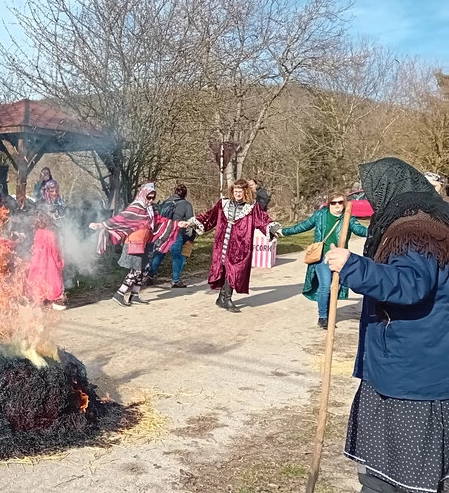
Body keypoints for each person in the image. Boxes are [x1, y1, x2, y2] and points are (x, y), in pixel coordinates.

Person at [322, 157, 449, 493]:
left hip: (411, 372)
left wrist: (352, 267)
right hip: (417, 364)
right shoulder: (431, 220)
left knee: (397, 477)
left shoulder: (415, 230)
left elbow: (410, 284)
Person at [180, 179, 279, 313]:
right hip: (222, 243)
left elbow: (262, 220)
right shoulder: (223, 203)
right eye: (236, 191)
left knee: (235, 270)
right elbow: (209, 216)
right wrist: (191, 222)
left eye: (241, 191)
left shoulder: (252, 206)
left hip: (240, 246)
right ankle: (223, 298)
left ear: (246, 192)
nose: (238, 194)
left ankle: (226, 298)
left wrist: (272, 228)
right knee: (224, 270)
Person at [279, 191, 367, 329]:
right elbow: (303, 226)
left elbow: (359, 229)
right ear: (329, 203)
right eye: (334, 202)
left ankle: (330, 313)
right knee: (325, 286)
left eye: (340, 202)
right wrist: (284, 232)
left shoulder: (348, 218)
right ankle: (323, 317)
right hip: (322, 258)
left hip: (339, 258)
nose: (337, 205)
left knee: (335, 287)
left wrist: (374, 233)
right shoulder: (320, 215)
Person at [90, 182, 178, 307]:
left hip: (146, 243)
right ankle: (119, 294)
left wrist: (176, 224)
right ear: (143, 194)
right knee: (136, 270)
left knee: (146, 269)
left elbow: (159, 220)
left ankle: (135, 294)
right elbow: (122, 218)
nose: (151, 200)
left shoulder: (151, 209)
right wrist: (103, 225)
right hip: (135, 243)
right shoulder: (136, 207)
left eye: (153, 197)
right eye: (149, 197)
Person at [145, 184, 195, 288]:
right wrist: (191, 237)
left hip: (164, 232)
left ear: (174, 192)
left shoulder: (165, 202)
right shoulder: (186, 205)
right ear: (185, 194)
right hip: (177, 233)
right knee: (177, 257)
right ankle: (175, 280)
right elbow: (191, 222)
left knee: (159, 254)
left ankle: (150, 275)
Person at [26, 213, 65, 310]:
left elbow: (35, 247)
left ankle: (39, 301)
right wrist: (59, 261)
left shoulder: (38, 232)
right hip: (49, 260)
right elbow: (55, 249)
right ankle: (52, 301)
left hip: (38, 260)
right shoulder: (51, 234)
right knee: (52, 280)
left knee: (38, 279)